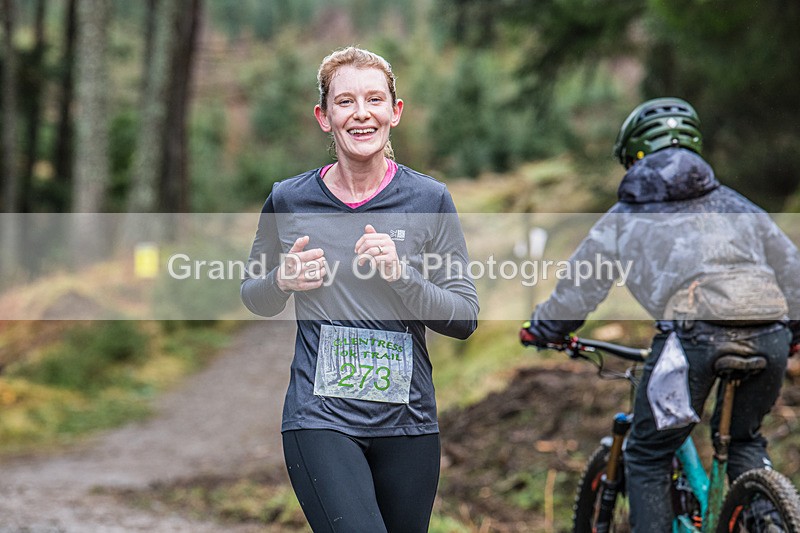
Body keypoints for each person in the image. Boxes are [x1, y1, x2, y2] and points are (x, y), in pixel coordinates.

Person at [519, 97, 800, 531]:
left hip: (695, 337)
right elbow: (791, 269)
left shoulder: (626, 215)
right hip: (771, 332)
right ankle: (770, 521)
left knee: (647, 455)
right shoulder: (736, 205)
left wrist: (546, 329)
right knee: (744, 439)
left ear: (634, 156)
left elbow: (581, 286)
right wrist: (793, 331)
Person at [241, 46, 479, 533]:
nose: (361, 113)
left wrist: (402, 277)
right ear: (324, 117)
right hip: (320, 417)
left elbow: (464, 317)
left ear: (395, 112)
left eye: (374, 99)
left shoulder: (429, 199)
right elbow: (253, 293)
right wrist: (281, 281)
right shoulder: (288, 199)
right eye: (345, 101)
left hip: (408, 422)